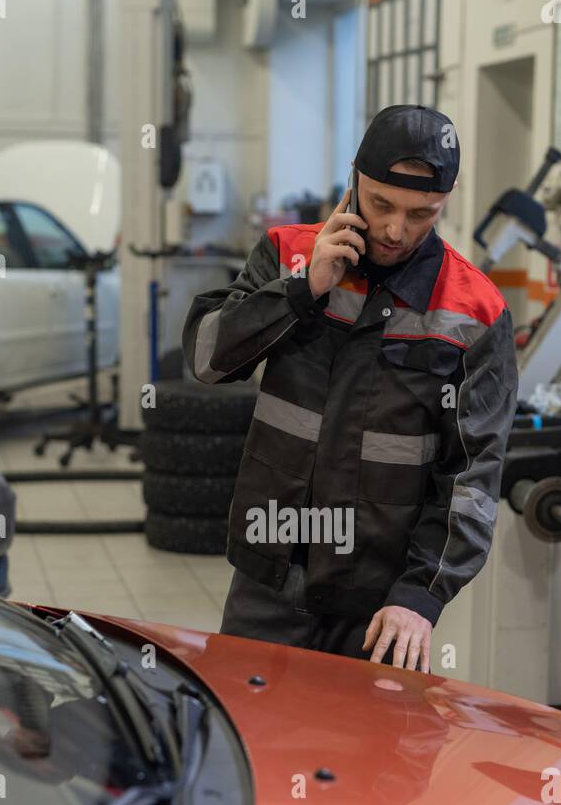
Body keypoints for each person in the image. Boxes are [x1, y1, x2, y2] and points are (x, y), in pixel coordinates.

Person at [182, 104, 518, 672]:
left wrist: (420, 596)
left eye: (421, 213)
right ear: (354, 177)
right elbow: (207, 360)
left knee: (374, 761)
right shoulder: (288, 251)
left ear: (449, 197)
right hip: (268, 581)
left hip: (380, 611)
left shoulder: (475, 310)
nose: (395, 229)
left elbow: (472, 475)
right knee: (247, 745)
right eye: (382, 203)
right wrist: (300, 289)